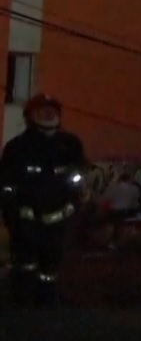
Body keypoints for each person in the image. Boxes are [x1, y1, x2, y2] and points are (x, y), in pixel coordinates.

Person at [0, 94, 87, 307]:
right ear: (30, 116)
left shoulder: (70, 146)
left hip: (59, 222)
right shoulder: (17, 148)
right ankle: (21, 306)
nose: (48, 114)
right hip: (26, 222)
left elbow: (79, 180)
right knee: (24, 266)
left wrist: (73, 209)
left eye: (52, 110)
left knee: (50, 269)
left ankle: (46, 303)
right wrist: (13, 219)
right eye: (42, 110)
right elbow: (7, 186)